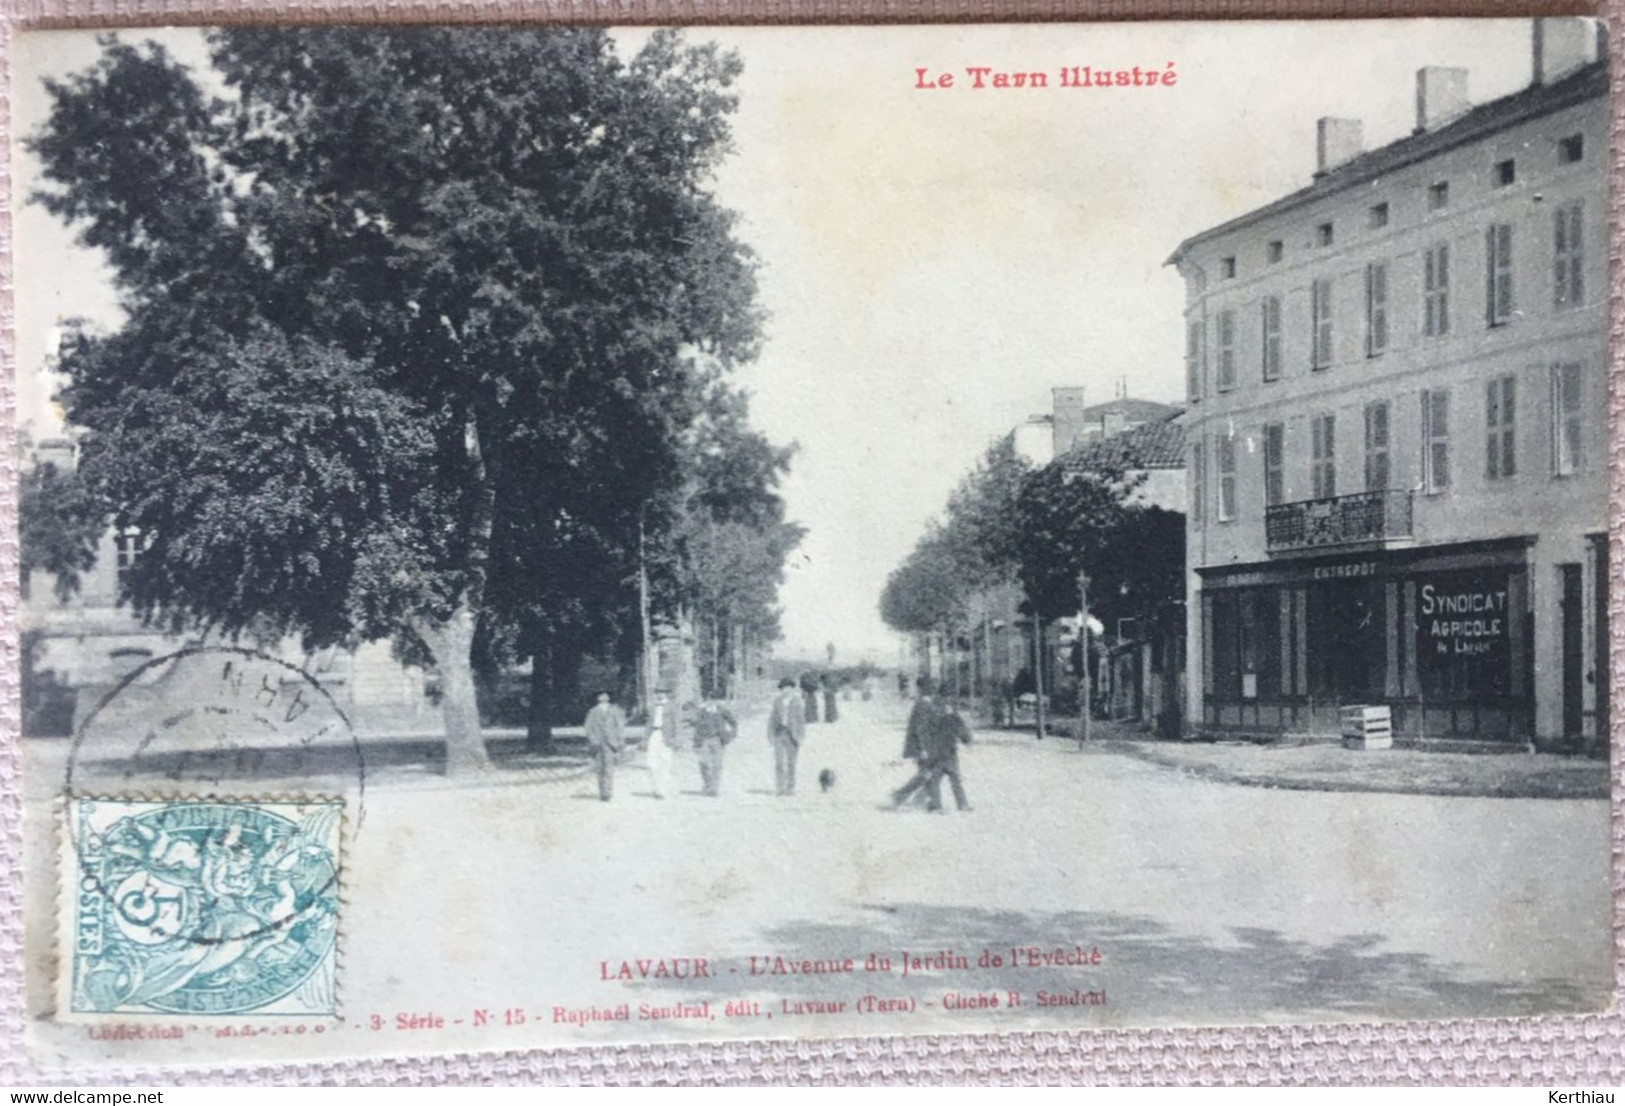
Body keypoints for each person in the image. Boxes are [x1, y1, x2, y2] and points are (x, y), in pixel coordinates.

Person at [891, 677, 942, 808]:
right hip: (923, 746)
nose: (935, 691)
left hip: (927, 745)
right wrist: (923, 749)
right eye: (933, 688)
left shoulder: (925, 704)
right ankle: (904, 796)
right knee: (929, 774)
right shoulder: (923, 705)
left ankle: (908, 797)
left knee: (929, 774)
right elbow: (920, 729)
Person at [926, 702, 973, 812]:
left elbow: (927, 734)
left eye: (946, 707)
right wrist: (967, 740)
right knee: (952, 780)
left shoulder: (937, 719)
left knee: (937, 780)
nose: (945, 709)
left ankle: (936, 805)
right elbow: (964, 735)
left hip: (940, 755)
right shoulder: (955, 720)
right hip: (946, 755)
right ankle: (961, 804)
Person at [583, 692, 626, 801]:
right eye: (601, 696)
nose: (603, 698)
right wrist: (593, 740)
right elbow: (588, 728)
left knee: (609, 768)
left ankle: (608, 792)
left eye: (606, 696)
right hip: (597, 744)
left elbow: (619, 727)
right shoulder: (593, 712)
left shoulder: (614, 711)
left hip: (611, 744)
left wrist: (620, 741)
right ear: (598, 699)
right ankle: (602, 792)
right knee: (600, 768)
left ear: (609, 698)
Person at [691, 697, 737, 797]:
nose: (711, 702)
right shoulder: (702, 712)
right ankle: (708, 784)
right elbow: (695, 724)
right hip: (704, 740)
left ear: (717, 701)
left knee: (717, 765)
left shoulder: (722, 711)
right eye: (709, 700)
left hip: (718, 740)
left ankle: (714, 789)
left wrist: (731, 734)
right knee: (704, 763)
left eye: (714, 699)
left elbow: (733, 722)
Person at [767, 678, 807, 796]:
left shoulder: (797, 701)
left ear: (792, 688)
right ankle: (780, 788)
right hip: (779, 733)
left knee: (791, 763)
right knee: (779, 762)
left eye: (788, 688)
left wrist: (801, 736)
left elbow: (801, 720)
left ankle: (790, 788)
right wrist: (770, 734)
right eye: (783, 688)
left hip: (792, 734)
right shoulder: (777, 701)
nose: (786, 690)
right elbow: (772, 718)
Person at [646, 690, 678, 799]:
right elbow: (648, 723)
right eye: (657, 692)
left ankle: (663, 790)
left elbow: (676, 723)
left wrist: (675, 738)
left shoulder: (672, 706)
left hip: (666, 736)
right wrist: (645, 739)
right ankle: (656, 788)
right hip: (654, 734)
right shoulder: (652, 706)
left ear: (666, 693)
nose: (659, 694)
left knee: (665, 762)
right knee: (651, 763)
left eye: (662, 692)